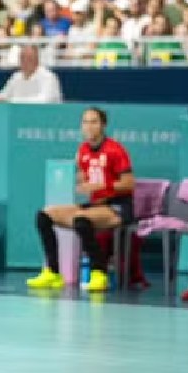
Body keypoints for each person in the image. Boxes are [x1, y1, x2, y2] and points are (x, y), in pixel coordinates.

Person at [28, 107, 133, 293]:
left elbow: (128, 184)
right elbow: (84, 176)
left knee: (82, 221)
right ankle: (52, 271)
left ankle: (99, 273)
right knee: (44, 215)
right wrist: (81, 181)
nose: (89, 126)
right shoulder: (83, 150)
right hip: (93, 204)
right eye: (85, 122)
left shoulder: (115, 150)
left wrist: (102, 186)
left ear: (103, 125)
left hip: (116, 206)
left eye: (94, 122)